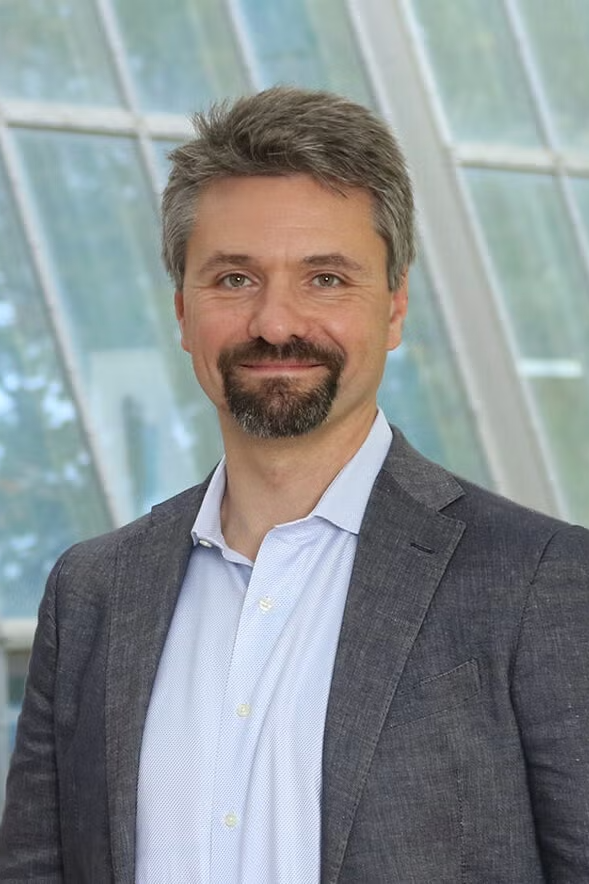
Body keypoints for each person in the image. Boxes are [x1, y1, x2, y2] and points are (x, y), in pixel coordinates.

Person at [1, 86, 588, 884]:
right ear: (181, 310)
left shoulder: (542, 582)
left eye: (325, 279)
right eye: (235, 279)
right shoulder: (94, 594)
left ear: (394, 306)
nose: (276, 323)